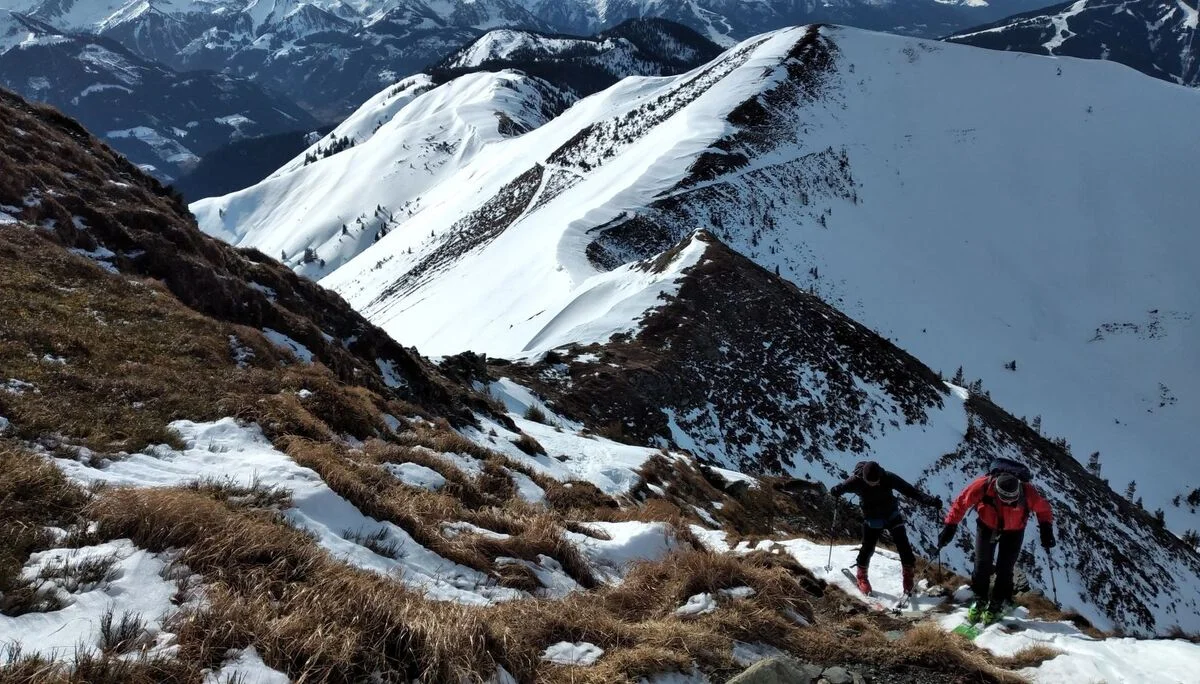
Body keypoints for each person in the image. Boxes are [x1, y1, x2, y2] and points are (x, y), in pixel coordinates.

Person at [937, 467, 1054, 624]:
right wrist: (950, 526)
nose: (1010, 502)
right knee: (981, 563)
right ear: (997, 490)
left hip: (1014, 531)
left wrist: (1046, 528)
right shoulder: (983, 485)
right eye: (1005, 499)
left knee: (1005, 567)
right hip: (987, 526)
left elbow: (1044, 509)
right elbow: (961, 502)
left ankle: (999, 601)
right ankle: (980, 597)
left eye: (1013, 499)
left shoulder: (1027, 492)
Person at [831, 460, 942, 595]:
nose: (875, 484)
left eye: (877, 481)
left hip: (891, 514)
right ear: (864, 479)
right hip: (872, 517)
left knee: (904, 545)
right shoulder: (855, 481)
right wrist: (836, 490)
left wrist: (930, 501)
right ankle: (862, 576)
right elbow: (841, 488)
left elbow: (909, 490)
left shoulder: (887, 477)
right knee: (868, 547)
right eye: (871, 482)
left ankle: (908, 577)